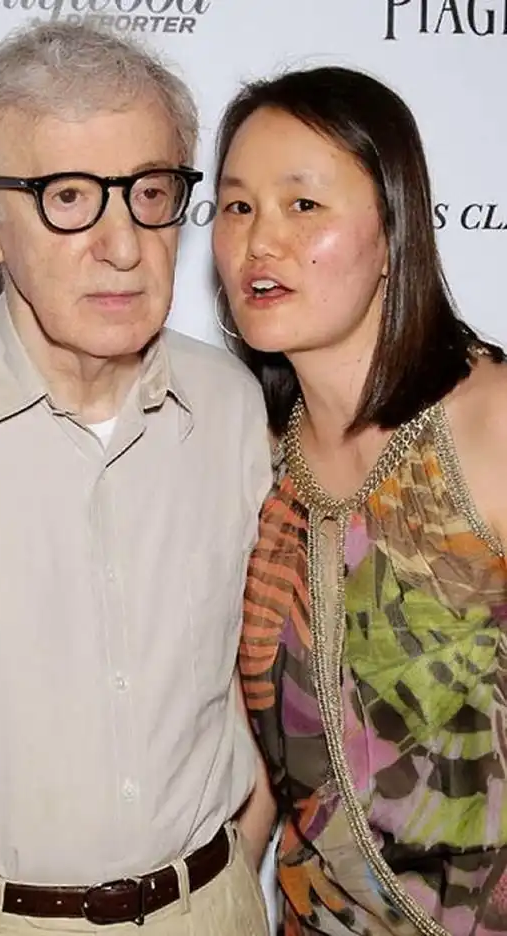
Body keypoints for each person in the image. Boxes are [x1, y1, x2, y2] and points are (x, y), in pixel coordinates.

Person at [0, 21, 276, 936]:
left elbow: (264, 695)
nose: (123, 245)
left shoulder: (234, 409)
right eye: (69, 198)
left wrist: (227, 881)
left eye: (151, 193)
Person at [212, 65, 507, 936]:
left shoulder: (489, 424)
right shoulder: (253, 467)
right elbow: (265, 775)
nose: (260, 241)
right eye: (236, 206)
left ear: (393, 230)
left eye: (303, 204)